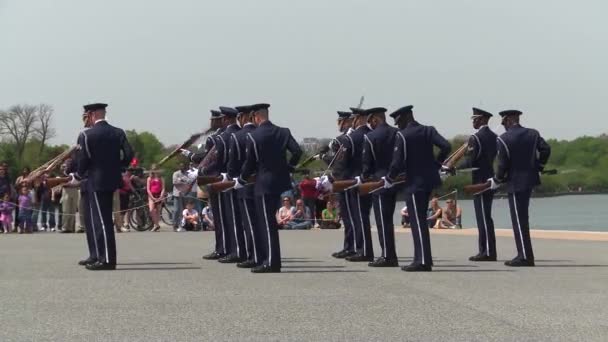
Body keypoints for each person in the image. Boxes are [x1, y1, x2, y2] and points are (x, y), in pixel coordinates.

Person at [235, 103, 303, 273]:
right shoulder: (283, 132)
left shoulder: (254, 136)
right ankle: (267, 259)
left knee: (266, 224)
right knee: (269, 222)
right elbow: (297, 152)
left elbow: (250, 163)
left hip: (263, 183)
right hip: (280, 181)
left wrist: (242, 179)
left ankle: (271, 262)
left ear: (256, 116)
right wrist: (289, 167)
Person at [385, 105, 451, 272]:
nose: (397, 125)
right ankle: (423, 258)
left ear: (406, 117)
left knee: (418, 222)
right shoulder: (429, 130)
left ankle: (422, 260)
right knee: (420, 220)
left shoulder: (403, 135)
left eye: (398, 121)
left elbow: (397, 161)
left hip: (413, 183)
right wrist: (436, 163)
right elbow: (446, 146)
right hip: (429, 181)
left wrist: (389, 178)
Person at [70, 103, 134, 271]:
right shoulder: (118, 132)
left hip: (95, 181)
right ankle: (100, 256)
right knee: (101, 220)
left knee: (102, 222)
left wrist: (77, 176)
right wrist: (118, 167)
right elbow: (129, 154)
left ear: (91, 115)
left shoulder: (87, 135)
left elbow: (83, 160)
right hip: (112, 180)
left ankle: (106, 260)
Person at [489, 109, 551, 267]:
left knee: (519, 220)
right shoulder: (533, 134)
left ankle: (524, 256)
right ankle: (524, 254)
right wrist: (539, 166)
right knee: (522, 218)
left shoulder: (503, 139)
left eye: (504, 123)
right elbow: (546, 149)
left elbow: (502, 163)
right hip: (530, 180)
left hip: (515, 182)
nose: (503, 126)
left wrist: (498, 179)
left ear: (508, 120)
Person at [183, 109, 228, 261]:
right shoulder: (226, 135)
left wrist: (191, 156)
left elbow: (207, 158)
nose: (210, 123)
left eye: (212, 120)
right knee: (227, 217)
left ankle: (222, 248)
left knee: (221, 216)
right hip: (227, 179)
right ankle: (229, 247)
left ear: (219, 120)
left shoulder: (216, 138)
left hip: (215, 179)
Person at [457, 108, 498, 261]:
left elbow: (470, 160)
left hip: (479, 180)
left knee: (482, 217)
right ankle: (488, 250)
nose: (473, 122)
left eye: (475, 119)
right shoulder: (495, 137)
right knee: (486, 216)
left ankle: (486, 252)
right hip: (490, 178)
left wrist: (453, 167)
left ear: (481, 119)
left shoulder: (476, 137)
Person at [361, 107, 400, 267]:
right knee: (389, 219)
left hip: (379, 182)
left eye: (371, 121)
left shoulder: (370, 137)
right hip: (396, 180)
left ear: (375, 119)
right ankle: (389, 254)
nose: (370, 124)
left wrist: (364, 177)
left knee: (382, 221)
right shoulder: (398, 133)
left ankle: (388, 256)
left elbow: (367, 165)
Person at [226, 105, 258, 268]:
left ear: (244, 118)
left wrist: (232, 177)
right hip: (261, 183)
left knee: (249, 223)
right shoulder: (261, 134)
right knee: (261, 222)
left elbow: (232, 164)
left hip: (243, 183)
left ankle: (252, 255)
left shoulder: (237, 136)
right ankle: (263, 254)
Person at [324, 110, 357, 259]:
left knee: (352, 216)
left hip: (348, 181)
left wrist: (332, 176)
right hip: (344, 181)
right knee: (347, 215)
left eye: (340, 121)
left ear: (347, 121)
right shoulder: (343, 139)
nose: (338, 124)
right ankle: (349, 246)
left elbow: (341, 163)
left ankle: (353, 247)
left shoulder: (348, 138)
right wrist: (325, 157)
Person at [215, 106, 246, 264]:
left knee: (231, 218)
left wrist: (202, 171)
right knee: (242, 219)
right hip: (244, 179)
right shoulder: (243, 134)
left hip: (227, 179)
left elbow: (219, 161)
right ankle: (241, 249)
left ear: (226, 119)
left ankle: (234, 250)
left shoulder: (223, 137)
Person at [344, 107, 374, 263]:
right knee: (364, 216)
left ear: (358, 119)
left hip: (355, 181)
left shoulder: (352, 138)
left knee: (359, 217)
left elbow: (343, 162)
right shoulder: (372, 135)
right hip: (372, 181)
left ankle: (363, 250)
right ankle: (361, 248)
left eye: (354, 118)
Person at [171, 162, 197, 231]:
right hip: (177, 194)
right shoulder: (176, 173)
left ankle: (183, 225)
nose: (182, 167)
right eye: (181, 166)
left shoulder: (187, 174)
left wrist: (181, 180)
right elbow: (174, 182)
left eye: (183, 166)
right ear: (179, 167)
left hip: (185, 194)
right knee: (176, 210)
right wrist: (183, 181)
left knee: (184, 210)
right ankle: (174, 224)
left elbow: (189, 182)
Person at [61, 159, 79, 233]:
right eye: (67, 164)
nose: (68, 165)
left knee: (73, 210)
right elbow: (61, 183)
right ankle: (65, 227)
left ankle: (71, 227)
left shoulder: (76, 172)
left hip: (75, 190)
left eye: (70, 163)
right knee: (66, 210)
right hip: (66, 191)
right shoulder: (63, 173)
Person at [147, 166, 165, 232]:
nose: (155, 171)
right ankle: (156, 224)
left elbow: (163, 188)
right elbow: (148, 189)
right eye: (153, 170)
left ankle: (156, 225)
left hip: (159, 194)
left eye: (156, 169)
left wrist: (161, 196)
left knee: (158, 211)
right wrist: (152, 197)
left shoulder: (161, 178)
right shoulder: (149, 178)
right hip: (152, 195)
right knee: (151, 210)